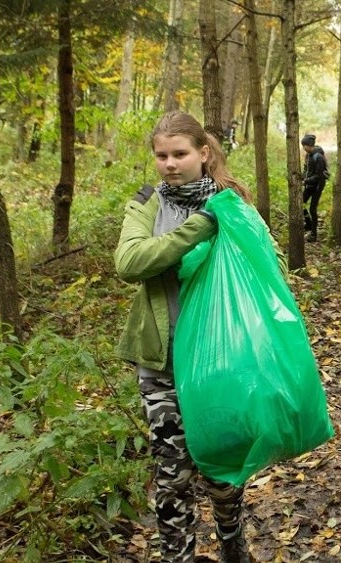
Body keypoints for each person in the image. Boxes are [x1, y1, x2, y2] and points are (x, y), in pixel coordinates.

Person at [114, 111, 254, 563]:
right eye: (161, 155)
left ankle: (233, 544)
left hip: (220, 361)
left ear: (203, 153)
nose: (170, 164)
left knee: (223, 471)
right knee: (172, 475)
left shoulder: (232, 202)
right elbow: (130, 262)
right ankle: (179, 557)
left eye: (180, 153)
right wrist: (199, 227)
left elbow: (259, 273)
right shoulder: (147, 203)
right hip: (162, 361)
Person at [301, 134, 329, 242]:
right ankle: (308, 224)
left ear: (309, 145)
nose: (303, 148)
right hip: (309, 185)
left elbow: (319, 176)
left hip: (317, 186)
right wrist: (303, 177)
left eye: (304, 145)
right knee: (300, 203)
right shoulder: (308, 156)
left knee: (312, 209)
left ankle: (314, 234)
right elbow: (305, 168)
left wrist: (306, 180)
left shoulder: (319, 157)